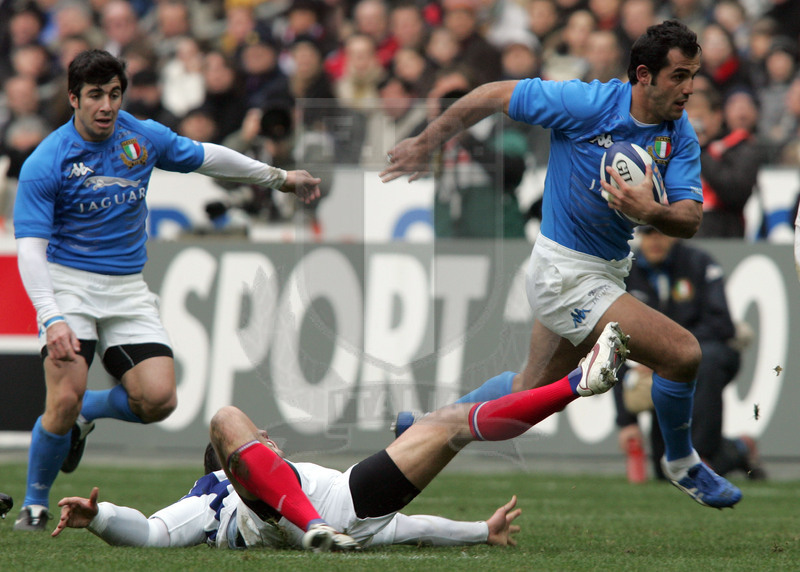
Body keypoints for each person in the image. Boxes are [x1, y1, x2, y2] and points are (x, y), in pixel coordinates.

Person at [381, 20, 743, 509]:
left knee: (526, 397)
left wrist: (650, 212)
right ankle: (682, 463)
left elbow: (690, 218)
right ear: (644, 75)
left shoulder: (678, 134)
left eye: (693, 75)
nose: (689, 88)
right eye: (678, 76)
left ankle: (430, 426)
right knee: (683, 353)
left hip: (605, 269)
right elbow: (490, 94)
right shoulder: (587, 104)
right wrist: (427, 142)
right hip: (564, 273)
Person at [11, 49, 322, 532]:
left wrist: (279, 177)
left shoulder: (141, 137)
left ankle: (87, 413)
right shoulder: (47, 160)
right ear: (73, 98)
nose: (107, 106)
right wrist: (51, 316)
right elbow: (29, 249)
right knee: (63, 396)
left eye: (114, 94)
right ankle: (34, 505)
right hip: (68, 286)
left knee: (159, 401)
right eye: (95, 95)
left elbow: (207, 157)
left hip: (127, 288)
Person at [51, 322, 628, 550]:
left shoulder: (214, 507)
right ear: (236, 464)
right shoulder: (217, 489)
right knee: (224, 412)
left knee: (451, 424)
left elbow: (412, 529)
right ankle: (576, 384)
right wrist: (100, 519)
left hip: (346, 516)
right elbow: (151, 534)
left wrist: (481, 531)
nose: (268, 438)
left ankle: (576, 383)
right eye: (261, 441)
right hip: (337, 509)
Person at [613, 226, 765, 481]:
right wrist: (626, 421)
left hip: (705, 358)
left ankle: (702, 456)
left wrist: (669, 349)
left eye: (661, 230)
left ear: (674, 232)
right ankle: (739, 448)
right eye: (648, 232)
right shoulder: (627, 272)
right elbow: (615, 342)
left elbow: (722, 324)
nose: (655, 239)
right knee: (667, 471)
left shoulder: (699, 263)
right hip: (653, 367)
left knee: (706, 359)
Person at [685, 86, 760, 238]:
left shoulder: (739, 148)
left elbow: (735, 193)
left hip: (721, 232)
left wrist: (701, 150)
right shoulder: (671, 148)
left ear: (717, 116)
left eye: (699, 118)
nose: (692, 124)